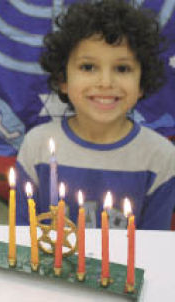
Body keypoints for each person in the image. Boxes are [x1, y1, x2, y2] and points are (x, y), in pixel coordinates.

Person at [16, 0, 175, 230]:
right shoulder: (37, 146)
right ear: (62, 79)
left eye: (122, 69)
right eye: (88, 67)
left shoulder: (161, 157)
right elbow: (22, 236)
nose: (105, 83)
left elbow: (152, 249)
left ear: (142, 83)